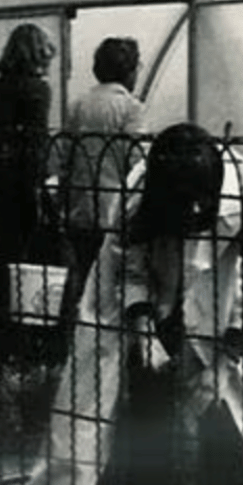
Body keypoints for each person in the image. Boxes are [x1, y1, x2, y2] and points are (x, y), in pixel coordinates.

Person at [24, 123, 243, 485]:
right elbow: (130, 264)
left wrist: (223, 365)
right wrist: (143, 328)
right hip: (147, 293)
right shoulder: (139, 191)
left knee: (220, 411)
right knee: (112, 403)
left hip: (217, 304)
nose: (194, 213)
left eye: (200, 206)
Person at [0, 23, 55, 344]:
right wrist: (41, 186)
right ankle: (21, 337)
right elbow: (36, 143)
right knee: (26, 264)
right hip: (18, 187)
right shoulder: (36, 89)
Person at [49, 36, 145, 333]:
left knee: (81, 274)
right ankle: (107, 338)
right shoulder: (131, 108)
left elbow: (61, 154)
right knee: (113, 281)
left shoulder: (78, 105)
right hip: (115, 208)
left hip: (80, 206)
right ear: (129, 71)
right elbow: (137, 160)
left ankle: (75, 336)